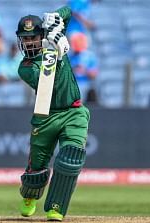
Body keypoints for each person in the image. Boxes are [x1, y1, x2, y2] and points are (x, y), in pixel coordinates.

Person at [16, 6, 90, 222]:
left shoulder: (54, 36)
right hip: (45, 117)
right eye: (24, 38)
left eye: (33, 37)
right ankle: (30, 196)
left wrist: (54, 18)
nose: (29, 42)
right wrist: (57, 55)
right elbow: (47, 83)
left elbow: (69, 9)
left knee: (71, 157)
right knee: (36, 169)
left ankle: (56, 207)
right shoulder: (26, 67)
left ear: (41, 35)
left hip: (73, 111)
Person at [69, 32, 98, 100]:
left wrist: (84, 70)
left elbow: (94, 75)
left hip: (85, 85)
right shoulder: (69, 56)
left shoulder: (90, 56)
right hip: (71, 85)